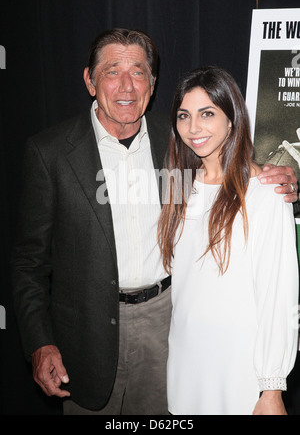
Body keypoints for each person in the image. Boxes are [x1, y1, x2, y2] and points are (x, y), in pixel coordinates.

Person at [11, 30, 298, 415]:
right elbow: (29, 262)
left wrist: (273, 175)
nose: (127, 85)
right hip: (88, 334)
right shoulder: (50, 153)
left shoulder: (176, 138)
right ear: (89, 81)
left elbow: (226, 163)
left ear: (153, 83)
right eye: (113, 71)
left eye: (139, 71)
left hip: (167, 327)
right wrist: (39, 342)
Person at [158, 66, 299, 416]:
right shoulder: (176, 185)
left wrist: (271, 386)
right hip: (186, 364)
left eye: (207, 114)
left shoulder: (266, 192)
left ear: (232, 119)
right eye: (183, 116)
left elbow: (278, 294)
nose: (193, 128)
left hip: (241, 369)